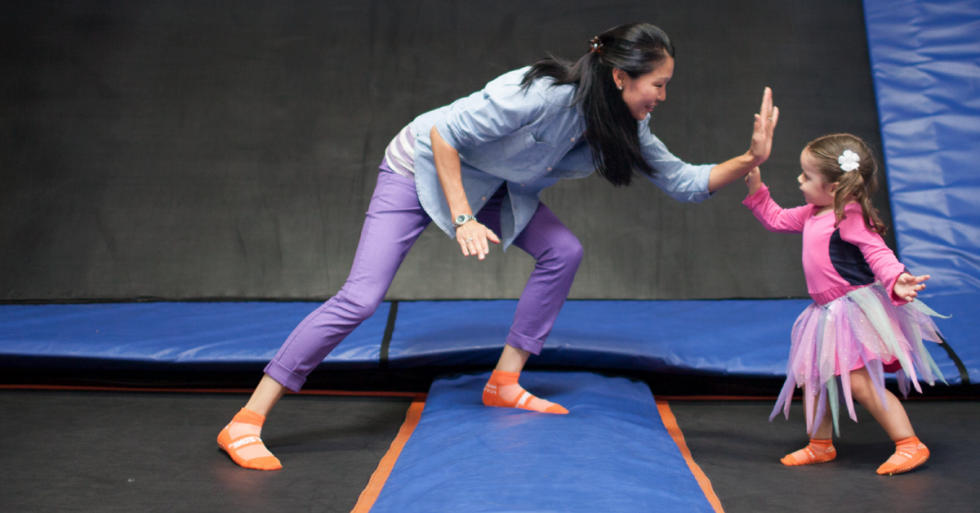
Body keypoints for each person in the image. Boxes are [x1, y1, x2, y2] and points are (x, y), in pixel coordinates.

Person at [218, 22, 779, 471]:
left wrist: (750, 160)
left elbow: (684, 182)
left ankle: (503, 383)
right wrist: (463, 217)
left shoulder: (625, 127)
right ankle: (246, 421)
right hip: (418, 167)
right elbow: (444, 135)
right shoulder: (539, 95)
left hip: (488, 184)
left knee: (564, 252)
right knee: (361, 299)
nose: (662, 96)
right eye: (658, 84)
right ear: (620, 77)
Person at [742, 133, 947, 476]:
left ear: (835, 187)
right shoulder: (812, 212)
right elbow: (776, 219)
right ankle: (820, 444)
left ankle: (909, 443)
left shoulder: (849, 216)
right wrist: (756, 190)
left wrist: (896, 278)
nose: (799, 180)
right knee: (815, 378)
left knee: (858, 383)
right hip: (824, 313)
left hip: (851, 310)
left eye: (807, 176)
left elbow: (877, 252)